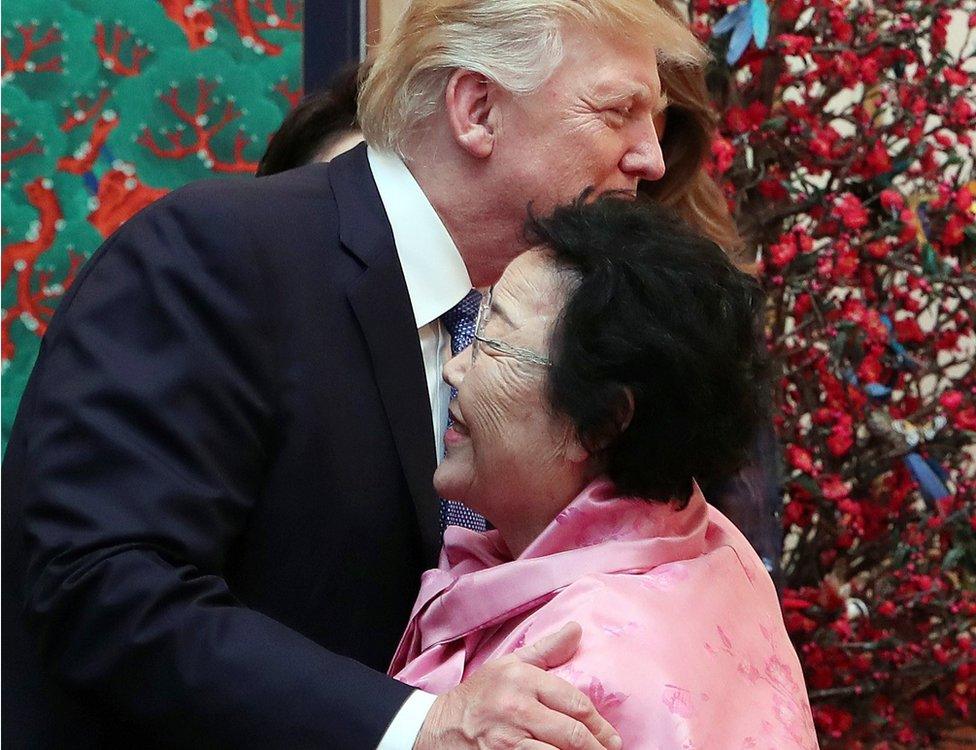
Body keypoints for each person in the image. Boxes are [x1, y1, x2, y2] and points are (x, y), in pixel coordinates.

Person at [1, 0, 706, 748]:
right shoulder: (221, 254)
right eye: (617, 111)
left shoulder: (536, 322)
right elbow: (101, 586)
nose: (651, 159)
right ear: (477, 110)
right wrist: (410, 726)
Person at [389, 195, 819, 748]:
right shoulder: (709, 543)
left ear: (600, 423)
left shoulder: (560, 691)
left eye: (492, 343)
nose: (454, 368)